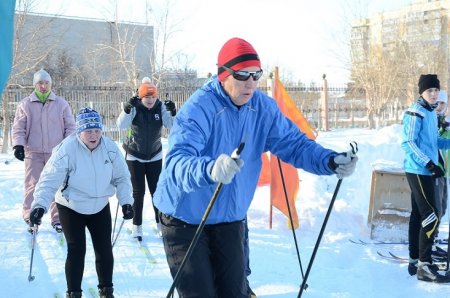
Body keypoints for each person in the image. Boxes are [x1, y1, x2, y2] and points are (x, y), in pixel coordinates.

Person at [153, 37, 358, 297]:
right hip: (185, 216)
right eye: (242, 75)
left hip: (229, 216)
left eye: (256, 75)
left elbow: (294, 144)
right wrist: (209, 169)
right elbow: (177, 162)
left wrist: (329, 161)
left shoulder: (262, 109)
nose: (250, 83)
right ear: (223, 75)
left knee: (235, 292)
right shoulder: (199, 108)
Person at [28, 107, 134, 298]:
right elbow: (48, 180)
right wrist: (39, 206)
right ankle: (74, 293)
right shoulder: (66, 150)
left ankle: (107, 291)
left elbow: (122, 178)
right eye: (88, 131)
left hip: (100, 205)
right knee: (77, 250)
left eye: (97, 130)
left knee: (104, 249)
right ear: (79, 131)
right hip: (71, 206)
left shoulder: (110, 148)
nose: (94, 135)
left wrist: (126, 201)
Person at [12, 69, 76, 233]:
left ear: (50, 84)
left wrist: (67, 146)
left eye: (46, 82)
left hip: (56, 153)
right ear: (35, 85)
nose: (43, 86)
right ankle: (31, 216)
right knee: (32, 185)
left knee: (57, 185)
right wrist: (18, 145)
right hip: (33, 152)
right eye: (40, 82)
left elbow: (70, 127)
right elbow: (18, 127)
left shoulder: (61, 104)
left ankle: (57, 218)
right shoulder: (26, 104)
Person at [402, 74, 450, 283]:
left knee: (418, 216)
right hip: (419, 170)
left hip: (426, 170)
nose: (433, 94)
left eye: (435, 90)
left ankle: (414, 260)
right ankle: (425, 265)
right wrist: (429, 164)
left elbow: (432, 141)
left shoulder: (430, 113)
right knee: (432, 215)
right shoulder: (416, 112)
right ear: (421, 91)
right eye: (429, 90)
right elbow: (408, 143)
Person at [116, 80, 176, 240]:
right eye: (146, 96)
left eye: (153, 96)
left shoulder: (160, 106)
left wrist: (173, 111)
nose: (150, 100)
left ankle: (160, 224)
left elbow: (171, 125)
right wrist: (127, 109)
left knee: (157, 190)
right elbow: (121, 125)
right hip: (135, 155)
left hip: (155, 155)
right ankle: (137, 227)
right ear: (141, 96)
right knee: (138, 192)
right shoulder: (135, 107)